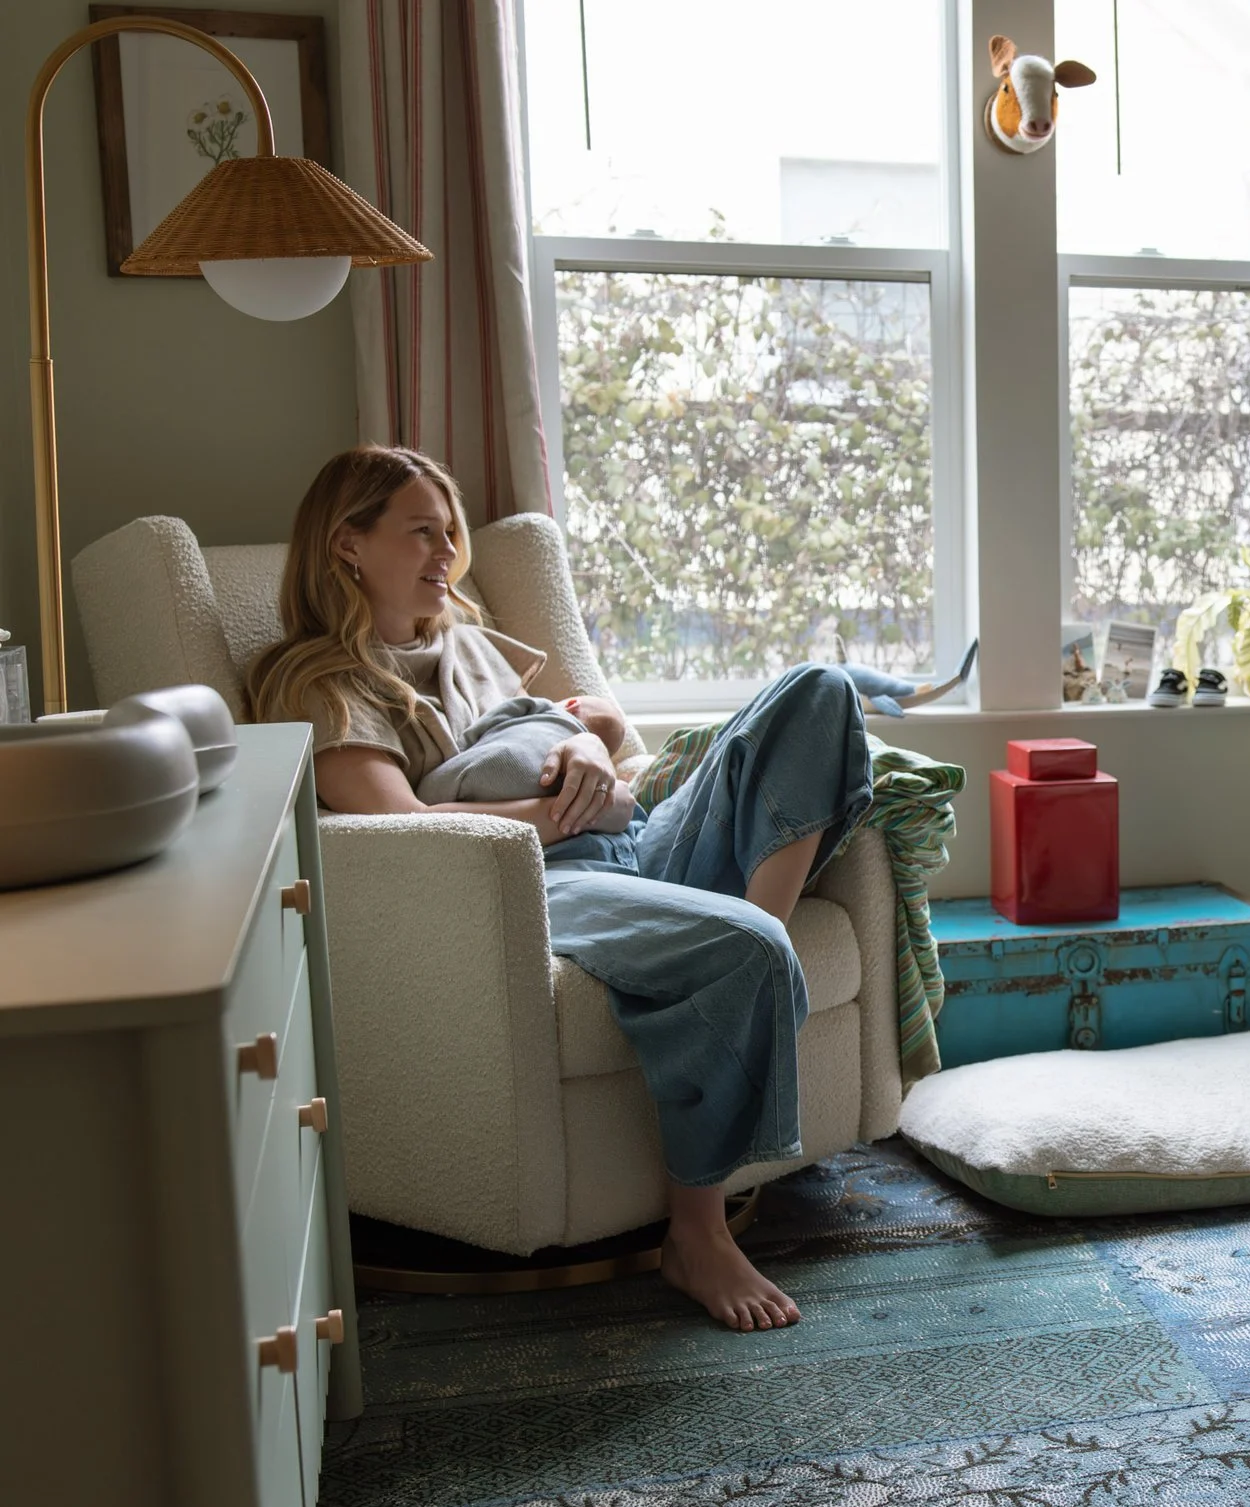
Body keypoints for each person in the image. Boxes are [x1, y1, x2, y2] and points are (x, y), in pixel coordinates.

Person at [246, 446, 873, 1333]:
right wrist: (568, 814)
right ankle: (695, 1232)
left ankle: (738, 957)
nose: (446, 552)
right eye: (422, 531)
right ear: (348, 544)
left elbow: (595, 724)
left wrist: (585, 745)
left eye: (451, 531)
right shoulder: (317, 680)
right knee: (746, 946)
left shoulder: (467, 642)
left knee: (820, 690)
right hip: (527, 888)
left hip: (631, 839)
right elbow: (400, 826)